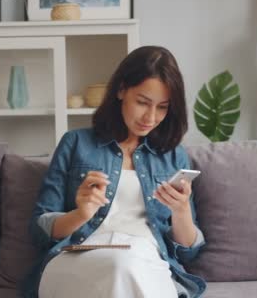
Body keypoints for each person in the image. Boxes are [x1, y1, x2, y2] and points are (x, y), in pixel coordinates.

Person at [23, 46, 207, 298]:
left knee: (128, 266)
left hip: (145, 260)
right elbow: (39, 230)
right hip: (79, 257)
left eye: (162, 107)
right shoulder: (76, 143)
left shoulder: (174, 156)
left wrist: (181, 210)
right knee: (121, 267)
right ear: (121, 90)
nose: (150, 117)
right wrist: (81, 213)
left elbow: (188, 251)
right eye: (142, 102)